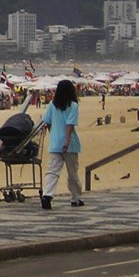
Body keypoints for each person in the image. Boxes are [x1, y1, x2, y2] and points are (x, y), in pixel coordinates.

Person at [41, 79, 83, 209]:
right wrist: (67, 140)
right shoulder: (73, 105)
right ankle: (75, 197)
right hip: (69, 144)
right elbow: (70, 124)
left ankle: (47, 195)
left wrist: (53, 133)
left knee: (52, 171)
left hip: (55, 142)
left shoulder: (52, 105)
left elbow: (46, 122)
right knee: (72, 172)